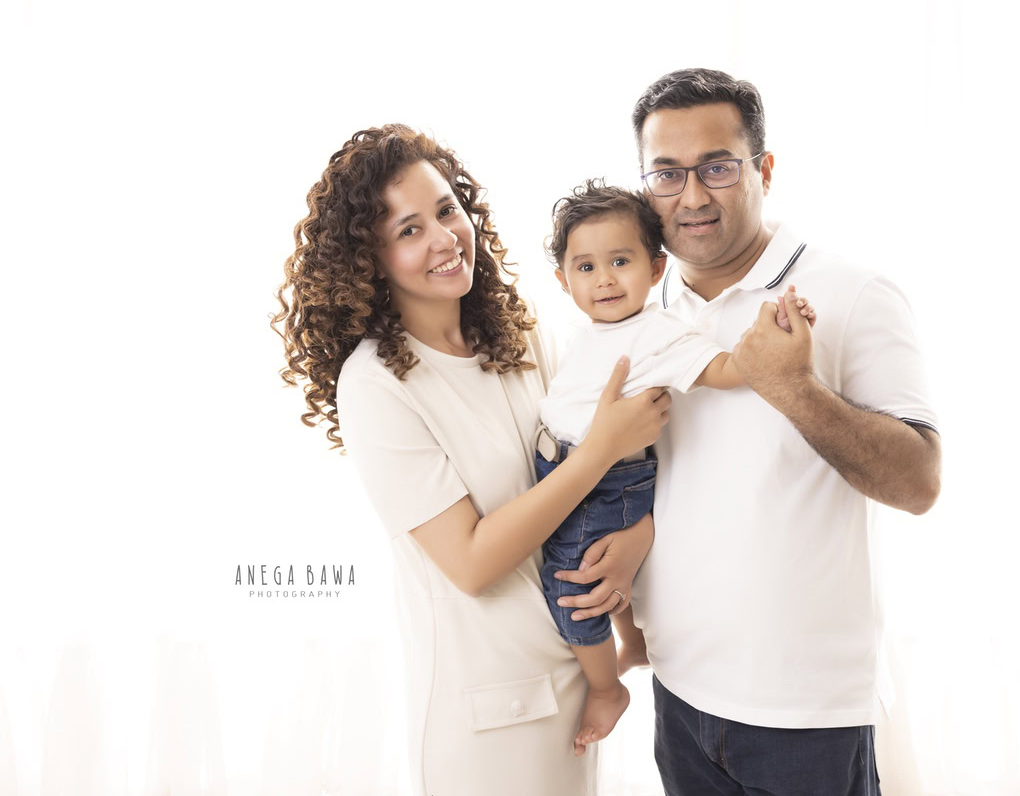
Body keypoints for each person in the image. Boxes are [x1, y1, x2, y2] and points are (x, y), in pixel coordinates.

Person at [567, 68, 943, 795]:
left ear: (763, 169)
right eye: (667, 174)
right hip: (679, 691)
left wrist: (793, 388)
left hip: (806, 713)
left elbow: (919, 484)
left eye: (717, 167)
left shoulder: (850, 293)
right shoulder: (640, 307)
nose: (693, 195)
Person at [271, 125, 671, 796]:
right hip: (487, 717)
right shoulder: (375, 385)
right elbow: (474, 562)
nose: (443, 237)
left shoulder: (520, 333)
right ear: (368, 260)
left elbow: (599, 480)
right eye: (407, 231)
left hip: (574, 684)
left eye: (447, 209)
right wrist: (602, 449)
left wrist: (638, 536)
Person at [533, 179, 816, 756]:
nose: (605, 278)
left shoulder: (659, 333)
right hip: (571, 473)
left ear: (656, 267)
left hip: (605, 484)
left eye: (620, 260)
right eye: (585, 267)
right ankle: (633, 642)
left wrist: (778, 333)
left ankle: (605, 686)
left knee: (570, 584)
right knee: (607, 574)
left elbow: (726, 369)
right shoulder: (587, 334)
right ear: (563, 281)